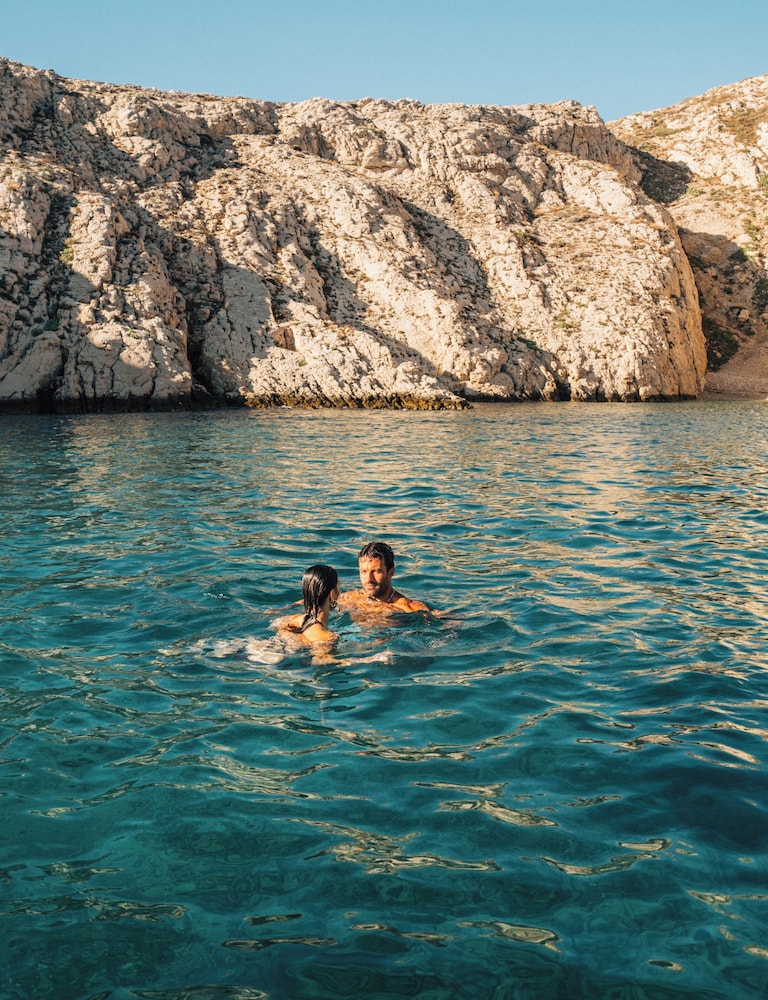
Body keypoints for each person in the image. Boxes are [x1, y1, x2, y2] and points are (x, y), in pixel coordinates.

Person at [338, 541, 430, 613]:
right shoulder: (349, 599)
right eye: (364, 572)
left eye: (376, 572)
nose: (369, 579)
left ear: (391, 573)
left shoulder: (407, 609)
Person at [277, 564, 341, 645]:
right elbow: (320, 654)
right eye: (339, 586)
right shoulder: (327, 638)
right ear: (332, 594)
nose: (340, 591)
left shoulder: (291, 619)